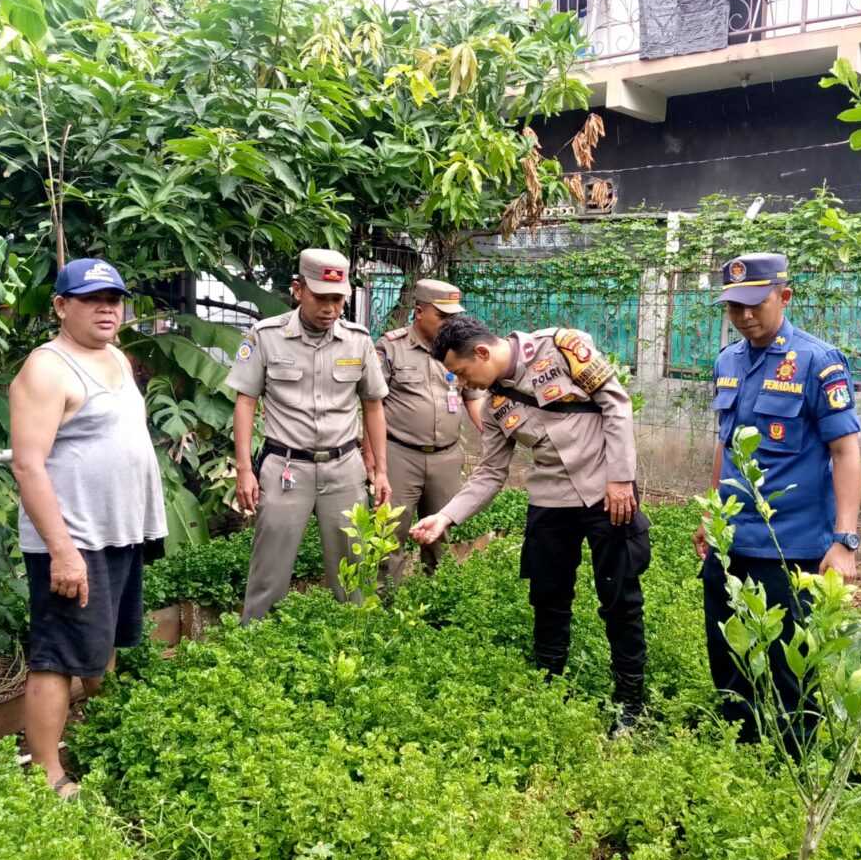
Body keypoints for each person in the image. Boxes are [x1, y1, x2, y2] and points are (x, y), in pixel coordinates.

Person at [410, 316, 650, 738]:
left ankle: (630, 701)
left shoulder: (563, 348)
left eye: (463, 373)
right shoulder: (494, 406)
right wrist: (445, 516)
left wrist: (620, 478)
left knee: (620, 597)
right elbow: (489, 473)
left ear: (481, 352)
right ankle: (550, 686)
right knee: (548, 597)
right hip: (550, 502)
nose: (465, 384)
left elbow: (616, 403)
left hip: (607, 494)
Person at [10, 258, 167, 798]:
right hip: (73, 540)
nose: (107, 309)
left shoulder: (116, 357)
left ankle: (101, 738)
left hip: (117, 534)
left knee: (105, 643)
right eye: (92, 299)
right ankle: (47, 774)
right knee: (56, 657)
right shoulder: (47, 369)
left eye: (114, 299)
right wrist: (63, 551)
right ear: (61, 306)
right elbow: (28, 465)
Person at [692, 252, 861, 745]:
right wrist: (712, 514)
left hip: (790, 545)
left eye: (756, 304)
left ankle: (796, 756)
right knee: (728, 654)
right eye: (734, 307)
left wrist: (845, 541)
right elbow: (726, 446)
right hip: (732, 541)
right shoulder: (727, 360)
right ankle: (740, 746)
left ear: (784, 297)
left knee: (790, 670)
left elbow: (846, 452)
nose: (745, 316)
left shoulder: (817, 362)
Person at [226, 248, 390, 622]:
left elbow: (373, 406)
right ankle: (255, 641)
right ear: (298, 290)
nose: (330, 308)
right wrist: (244, 470)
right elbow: (245, 402)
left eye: (338, 299)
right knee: (270, 569)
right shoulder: (266, 337)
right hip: (286, 468)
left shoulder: (358, 341)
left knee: (354, 570)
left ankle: (354, 639)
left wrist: (380, 470)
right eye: (321, 297)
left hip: (344, 468)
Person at [370, 279, 484, 591]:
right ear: (419, 312)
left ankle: (437, 600)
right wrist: (373, 461)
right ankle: (383, 603)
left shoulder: (460, 350)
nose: (450, 323)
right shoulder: (390, 348)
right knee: (389, 532)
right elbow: (372, 406)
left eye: (454, 317)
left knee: (440, 532)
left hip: (446, 457)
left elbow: (473, 399)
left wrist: (494, 437)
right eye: (442, 316)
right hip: (399, 455)